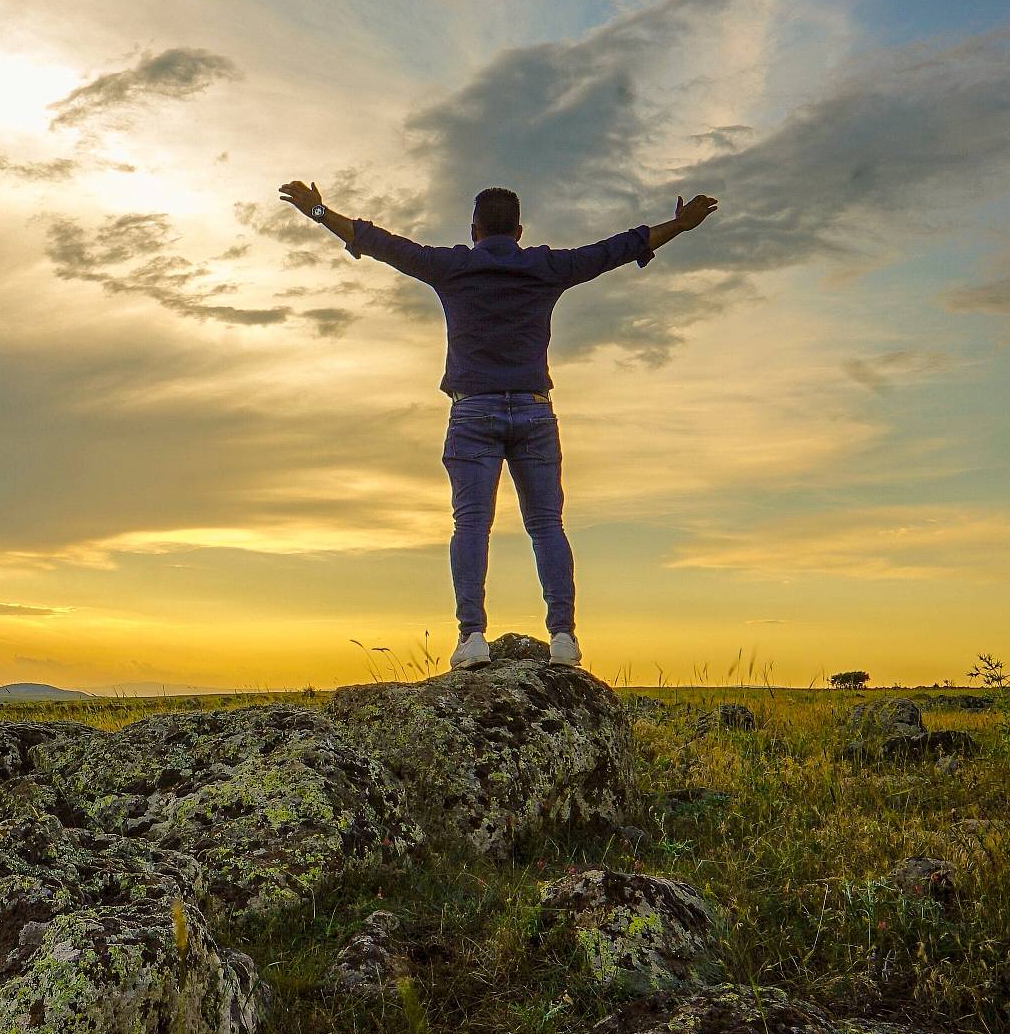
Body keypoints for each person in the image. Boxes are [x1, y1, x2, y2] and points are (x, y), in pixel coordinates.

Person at [278, 180, 719, 672]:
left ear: (473, 230)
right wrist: (679, 225)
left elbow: (378, 242)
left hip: (472, 413)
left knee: (470, 525)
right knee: (547, 525)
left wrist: (318, 210)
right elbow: (616, 249)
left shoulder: (453, 266)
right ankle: (564, 638)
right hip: (534, 411)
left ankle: (471, 638)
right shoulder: (546, 267)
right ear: (520, 231)